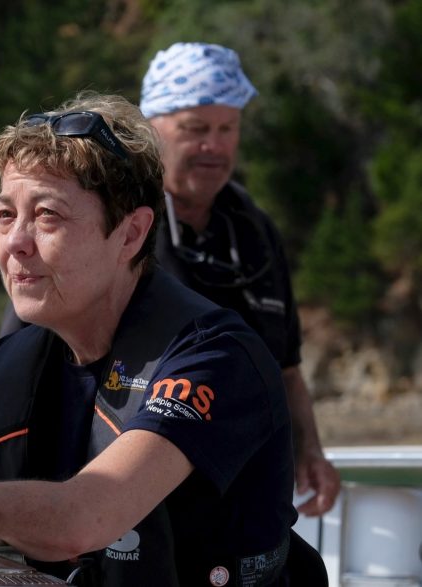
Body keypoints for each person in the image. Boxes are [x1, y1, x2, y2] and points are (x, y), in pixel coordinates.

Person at [0, 90, 310, 586]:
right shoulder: (9, 369)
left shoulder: (214, 356)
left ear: (131, 235)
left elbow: (82, 519)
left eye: (47, 215)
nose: (16, 242)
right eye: (6, 215)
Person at [141, 42, 340, 517]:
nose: (214, 146)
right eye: (195, 129)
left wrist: (310, 451)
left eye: (227, 129)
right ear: (152, 130)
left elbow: (286, 367)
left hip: (247, 503)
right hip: (141, 502)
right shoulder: (120, 222)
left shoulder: (253, 229)